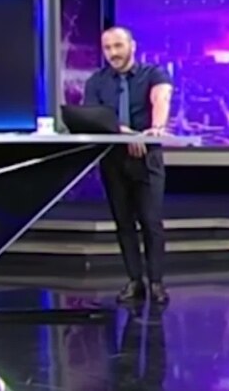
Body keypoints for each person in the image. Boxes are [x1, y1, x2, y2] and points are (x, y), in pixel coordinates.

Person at [83, 26, 172, 304]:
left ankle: (156, 283)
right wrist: (129, 135)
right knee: (123, 222)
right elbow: (95, 119)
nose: (113, 53)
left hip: (147, 158)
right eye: (107, 48)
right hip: (114, 159)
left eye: (118, 46)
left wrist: (156, 128)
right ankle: (135, 281)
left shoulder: (153, 74)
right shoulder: (96, 82)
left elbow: (161, 98)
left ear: (132, 46)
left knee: (151, 222)